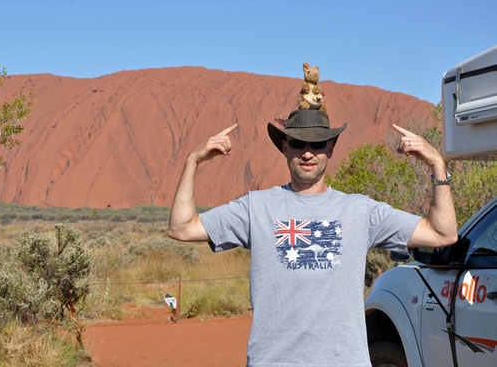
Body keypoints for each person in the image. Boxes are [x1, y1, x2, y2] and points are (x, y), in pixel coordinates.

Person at [168, 108, 457, 367]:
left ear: (330, 148)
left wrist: (436, 164)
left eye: (318, 144)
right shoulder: (256, 207)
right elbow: (182, 228)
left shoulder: (361, 210)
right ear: (284, 147)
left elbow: (442, 233)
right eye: (298, 144)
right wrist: (193, 161)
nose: (308, 153)